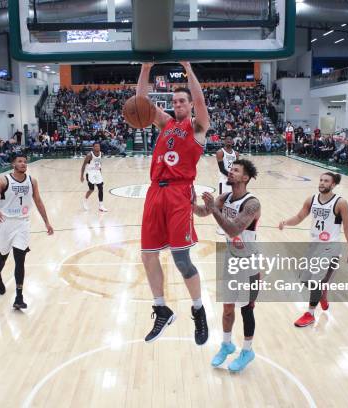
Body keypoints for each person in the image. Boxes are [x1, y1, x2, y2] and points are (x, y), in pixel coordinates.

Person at [136, 61, 210, 345]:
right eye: (175, 101)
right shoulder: (166, 123)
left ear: (190, 105)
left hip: (179, 193)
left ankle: (198, 310)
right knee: (147, 254)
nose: (177, 104)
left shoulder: (198, 127)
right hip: (155, 191)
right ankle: (161, 308)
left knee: (181, 259)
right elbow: (141, 103)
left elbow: (201, 99)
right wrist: (146, 68)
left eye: (182, 101)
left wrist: (188, 67)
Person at [193, 159, 261, 372]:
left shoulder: (252, 204)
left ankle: (247, 350)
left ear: (245, 177)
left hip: (250, 263)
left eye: (236, 170)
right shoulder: (225, 197)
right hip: (231, 260)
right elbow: (203, 212)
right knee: (227, 308)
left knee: (246, 310)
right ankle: (226, 344)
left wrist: (214, 209)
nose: (230, 172)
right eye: (230, 169)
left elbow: (233, 229)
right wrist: (189, 201)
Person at [278, 172, 348, 327]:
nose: (322, 183)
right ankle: (322, 294)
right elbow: (299, 217)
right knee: (304, 279)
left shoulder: (341, 203)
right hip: (314, 245)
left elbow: (347, 228)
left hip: (331, 246)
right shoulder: (311, 200)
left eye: (326, 181)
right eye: (320, 180)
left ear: (333, 185)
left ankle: (310, 313)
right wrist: (285, 222)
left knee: (315, 282)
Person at [0, 153, 54, 309]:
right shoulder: (4, 180)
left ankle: (19, 296)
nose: (23, 164)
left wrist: (47, 222)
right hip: (5, 223)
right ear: (13, 164)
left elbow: (38, 202)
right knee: (2, 256)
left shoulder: (32, 181)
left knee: (20, 259)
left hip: (23, 223)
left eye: (25, 161)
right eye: (20, 161)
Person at [216, 135, 239, 235]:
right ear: (224, 141)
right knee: (222, 202)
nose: (229, 141)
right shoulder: (220, 152)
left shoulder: (236, 153)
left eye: (231, 139)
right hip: (224, 181)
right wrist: (231, 177)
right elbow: (221, 169)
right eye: (227, 139)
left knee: (233, 203)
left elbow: (237, 167)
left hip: (233, 181)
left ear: (233, 142)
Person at [80, 141, 108, 212]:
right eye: (95, 146)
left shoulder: (101, 154)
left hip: (97, 173)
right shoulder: (89, 155)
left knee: (100, 188)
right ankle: (85, 200)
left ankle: (101, 206)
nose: (97, 147)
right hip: (90, 173)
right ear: (93, 147)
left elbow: (99, 164)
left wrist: (100, 173)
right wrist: (81, 176)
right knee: (91, 189)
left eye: (98, 146)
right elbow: (83, 165)